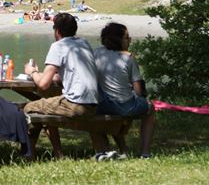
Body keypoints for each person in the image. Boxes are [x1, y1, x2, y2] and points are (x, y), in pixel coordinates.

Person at [23, 13, 99, 158]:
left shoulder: (58, 46)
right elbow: (72, 72)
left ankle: (29, 153)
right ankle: (57, 154)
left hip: (77, 104)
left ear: (57, 31)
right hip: (94, 104)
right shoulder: (84, 44)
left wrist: (32, 72)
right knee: (47, 105)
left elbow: (43, 84)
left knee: (29, 108)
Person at [92, 23, 156, 160]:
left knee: (112, 111)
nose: (129, 40)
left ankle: (119, 150)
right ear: (118, 40)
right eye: (127, 38)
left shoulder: (96, 53)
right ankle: (145, 152)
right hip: (124, 106)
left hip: (101, 105)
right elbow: (138, 92)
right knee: (150, 108)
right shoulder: (128, 58)